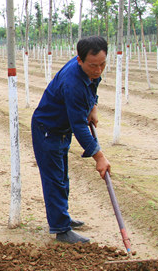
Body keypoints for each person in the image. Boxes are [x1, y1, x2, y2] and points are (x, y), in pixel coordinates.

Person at [31, 36, 111, 244]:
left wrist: (92, 107)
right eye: (93, 65)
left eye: (103, 64)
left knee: (63, 177)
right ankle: (61, 229)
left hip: (62, 129)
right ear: (80, 60)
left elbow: (93, 86)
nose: (98, 70)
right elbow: (79, 127)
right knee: (55, 180)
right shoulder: (72, 83)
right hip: (48, 130)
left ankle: (62, 216)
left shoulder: (91, 71)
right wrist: (99, 157)